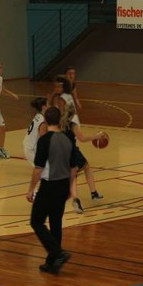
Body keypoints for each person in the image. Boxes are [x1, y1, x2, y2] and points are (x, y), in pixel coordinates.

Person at [26, 106, 77, 274]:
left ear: (46, 121)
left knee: (36, 221)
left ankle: (57, 252)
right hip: (63, 185)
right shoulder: (68, 138)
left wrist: (31, 189)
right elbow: (74, 167)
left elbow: (38, 169)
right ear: (59, 119)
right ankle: (53, 262)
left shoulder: (45, 140)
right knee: (56, 223)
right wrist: (70, 187)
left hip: (49, 185)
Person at [53, 77, 104, 214]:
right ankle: (93, 193)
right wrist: (95, 136)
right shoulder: (72, 123)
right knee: (86, 167)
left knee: (72, 176)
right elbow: (82, 138)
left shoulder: (57, 121)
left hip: (59, 151)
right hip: (71, 150)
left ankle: (76, 199)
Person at [23, 97, 48, 165]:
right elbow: (43, 140)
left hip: (28, 146)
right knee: (46, 169)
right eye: (48, 104)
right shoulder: (42, 122)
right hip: (31, 150)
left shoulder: (38, 115)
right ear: (44, 107)